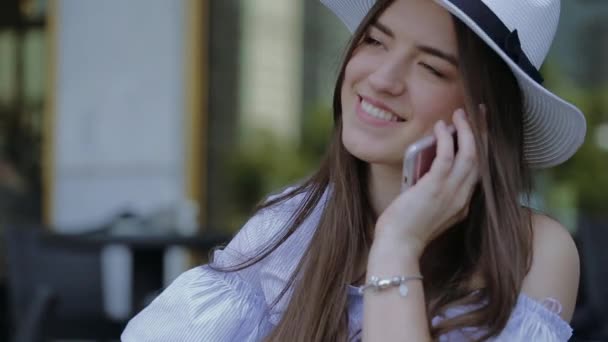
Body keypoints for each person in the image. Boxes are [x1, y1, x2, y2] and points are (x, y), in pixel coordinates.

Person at [122, 0, 586, 340]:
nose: (382, 79)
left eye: (431, 67)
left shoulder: (531, 252)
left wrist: (397, 246)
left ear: (484, 118)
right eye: (375, 40)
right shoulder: (289, 225)